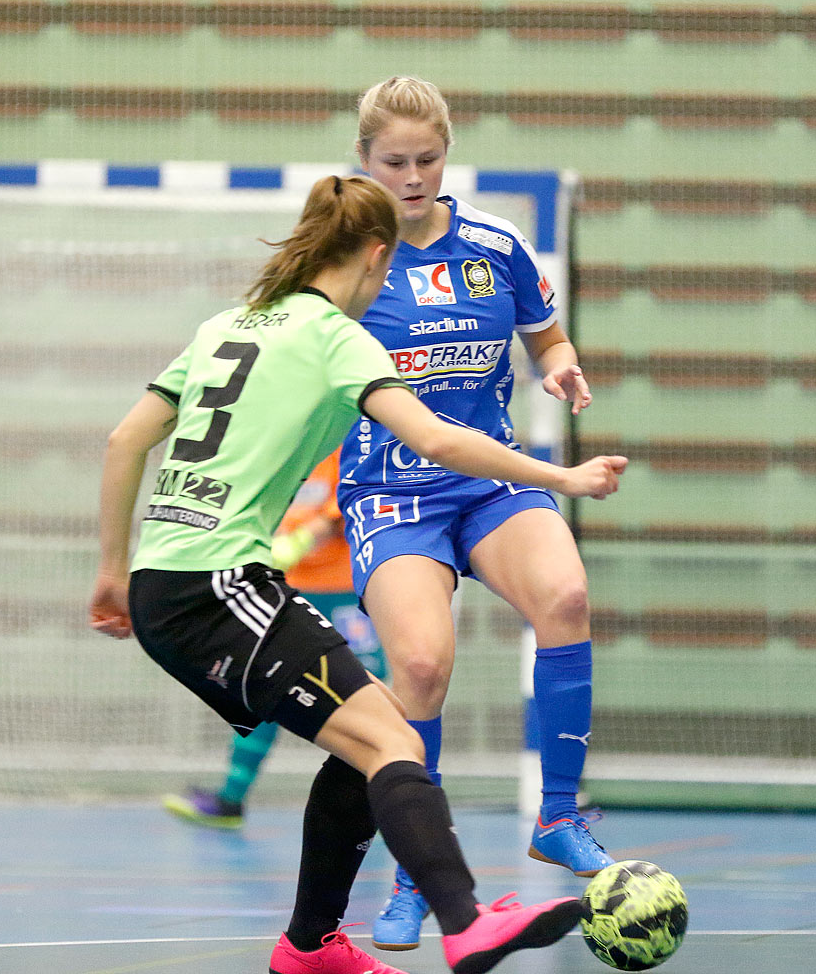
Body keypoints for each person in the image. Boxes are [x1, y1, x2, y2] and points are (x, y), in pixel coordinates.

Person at [88, 173, 627, 974]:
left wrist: (110, 570)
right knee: (391, 737)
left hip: (169, 576)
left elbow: (125, 441)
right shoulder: (337, 338)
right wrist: (564, 479)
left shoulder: (226, 325)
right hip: (218, 585)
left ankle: (311, 947)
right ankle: (466, 921)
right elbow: (438, 441)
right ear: (377, 256)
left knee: (367, 737)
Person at [342, 76, 616, 951]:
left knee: (565, 598)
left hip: (489, 479)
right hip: (392, 493)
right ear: (364, 161)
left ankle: (558, 814)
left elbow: (547, 335)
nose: (414, 176)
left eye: (428, 159)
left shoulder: (495, 244)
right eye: (395, 162)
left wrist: (561, 365)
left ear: (446, 155)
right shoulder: (344, 266)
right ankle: (416, 877)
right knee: (419, 665)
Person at [163, 449, 391, 829]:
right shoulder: (292, 452)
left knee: (365, 692)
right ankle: (230, 800)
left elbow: (346, 507)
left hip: (342, 589)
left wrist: (303, 538)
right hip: (287, 588)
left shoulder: (349, 448)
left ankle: (385, 798)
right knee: (263, 689)